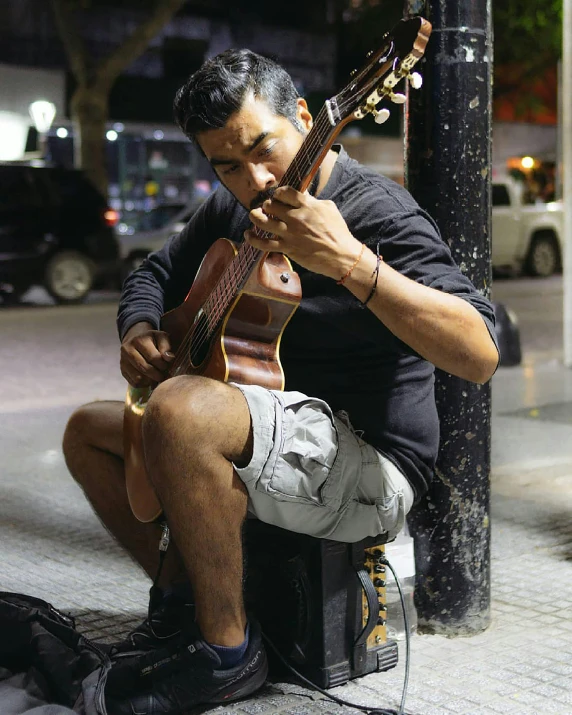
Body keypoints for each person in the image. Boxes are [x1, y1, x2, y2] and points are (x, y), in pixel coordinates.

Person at [62, 49, 500, 713]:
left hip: (370, 464)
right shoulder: (233, 210)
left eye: (264, 148)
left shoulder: (375, 211)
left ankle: (226, 656)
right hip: (264, 433)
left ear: (305, 118)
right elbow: (152, 273)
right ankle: (183, 603)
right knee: (90, 432)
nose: (255, 177)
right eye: (227, 165)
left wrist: (352, 263)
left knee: (178, 411)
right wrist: (139, 329)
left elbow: (479, 351)